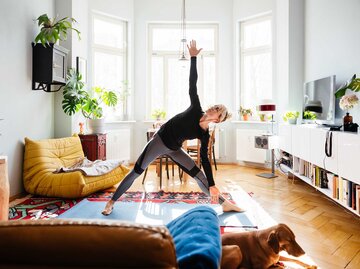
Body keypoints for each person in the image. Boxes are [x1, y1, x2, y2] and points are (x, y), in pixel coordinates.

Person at [102, 40, 244, 215]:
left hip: (174, 149)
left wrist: (213, 184)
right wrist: (193, 58)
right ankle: (111, 202)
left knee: (199, 176)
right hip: (159, 141)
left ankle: (224, 203)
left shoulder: (204, 134)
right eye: (215, 106)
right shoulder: (195, 109)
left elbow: (205, 160)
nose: (213, 108)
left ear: (217, 119)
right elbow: (193, 85)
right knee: (136, 172)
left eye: (217, 110)